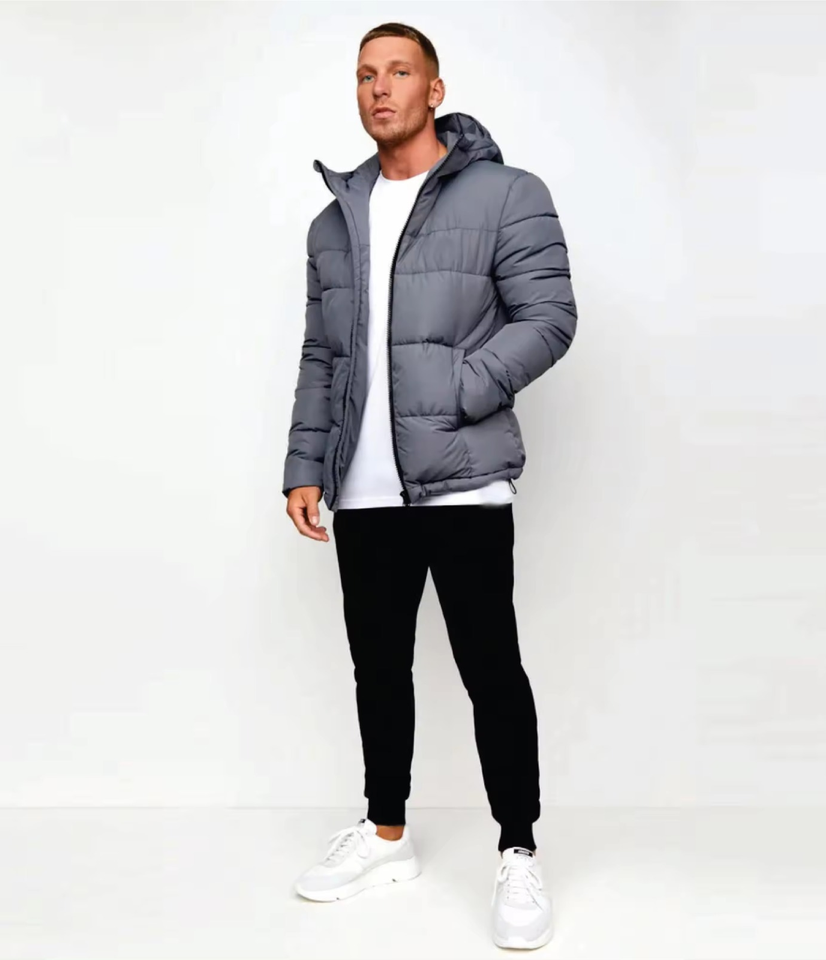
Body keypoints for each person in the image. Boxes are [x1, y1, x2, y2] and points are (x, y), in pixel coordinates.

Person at [282, 21, 576, 951]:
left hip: (461, 483)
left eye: (399, 71)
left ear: (434, 90)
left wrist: (457, 389)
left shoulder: (506, 194)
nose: (380, 88)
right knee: (379, 670)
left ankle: (518, 850)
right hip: (362, 488)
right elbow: (322, 355)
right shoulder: (333, 223)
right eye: (366, 74)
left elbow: (549, 316)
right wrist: (305, 464)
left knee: (491, 669)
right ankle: (386, 835)